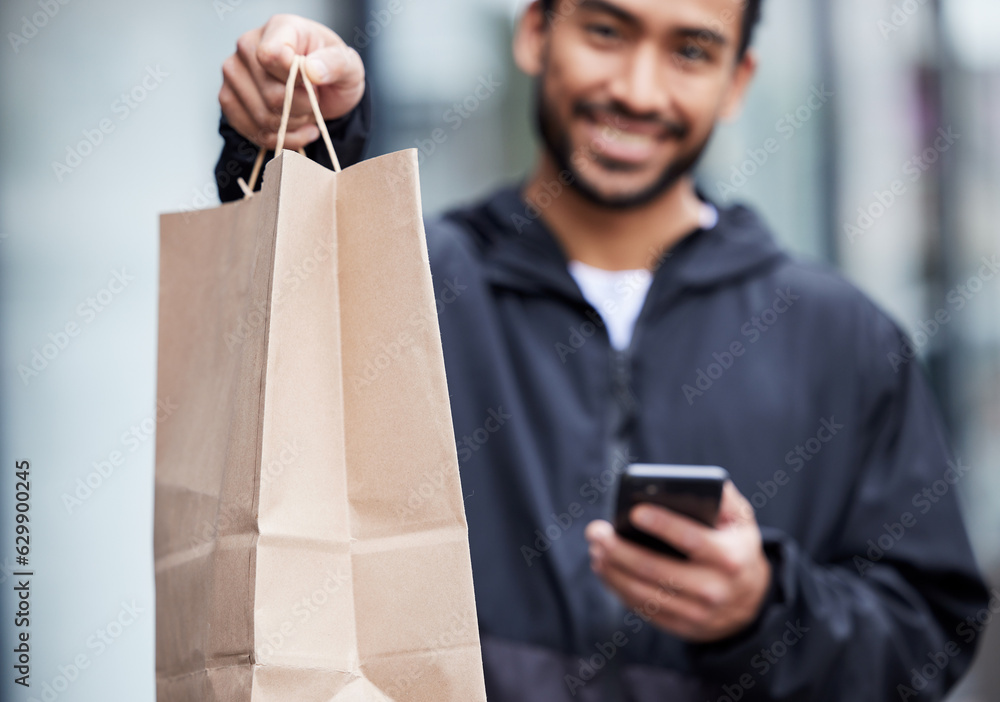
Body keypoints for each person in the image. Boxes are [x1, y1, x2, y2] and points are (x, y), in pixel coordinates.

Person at [214, 1, 990, 699]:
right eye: (607, 31)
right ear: (535, 31)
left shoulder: (844, 337)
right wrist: (302, 143)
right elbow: (292, 329)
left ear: (737, 80)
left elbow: (928, 636)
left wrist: (764, 610)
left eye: (690, 50)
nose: (638, 91)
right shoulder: (415, 281)